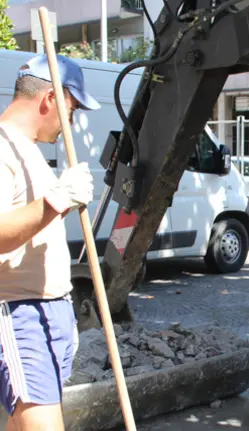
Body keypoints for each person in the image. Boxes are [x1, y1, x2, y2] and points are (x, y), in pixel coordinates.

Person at [0, 54, 99, 430]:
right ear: (49, 100)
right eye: (71, 110)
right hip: (18, 312)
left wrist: (63, 204)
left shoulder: (29, 151)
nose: (71, 124)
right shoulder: (2, 147)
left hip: (50, 311)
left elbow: (30, 222)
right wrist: (55, 202)